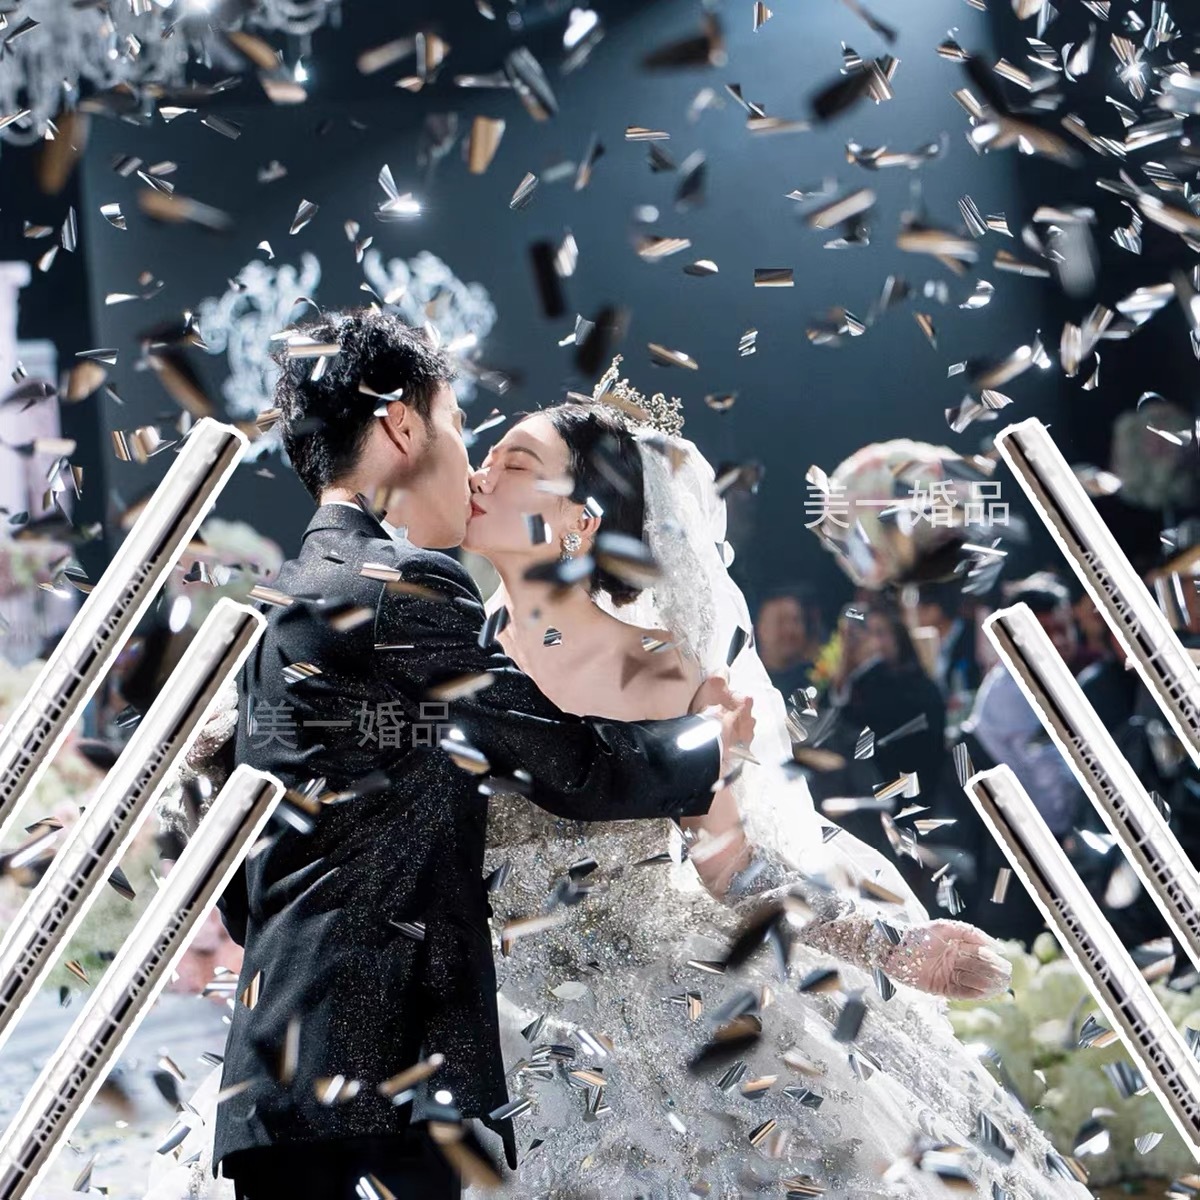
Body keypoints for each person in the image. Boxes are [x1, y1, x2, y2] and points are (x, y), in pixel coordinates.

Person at [145, 312, 756, 1200]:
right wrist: (709, 742)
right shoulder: (401, 584)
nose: (472, 465)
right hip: (373, 1093)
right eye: (461, 424)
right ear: (401, 425)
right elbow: (568, 762)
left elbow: (247, 874)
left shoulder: (287, 596)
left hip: (284, 1087)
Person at [754, 582, 823, 703]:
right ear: (760, 628)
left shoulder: (818, 681)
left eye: (796, 621)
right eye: (780, 621)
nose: (789, 630)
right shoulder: (743, 679)